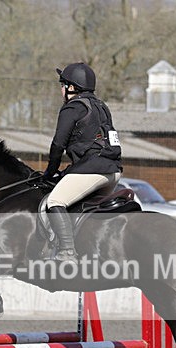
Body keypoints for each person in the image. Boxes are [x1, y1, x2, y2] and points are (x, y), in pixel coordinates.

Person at [41, 62, 123, 264]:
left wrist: (49, 172)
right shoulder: (102, 107)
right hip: (112, 171)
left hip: (92, 170)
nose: (61, 89)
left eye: (62, 84)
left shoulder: (73, 107)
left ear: (71, 87)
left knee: (55, 202)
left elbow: (58, 145)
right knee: (80, 210)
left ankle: (67, 252)